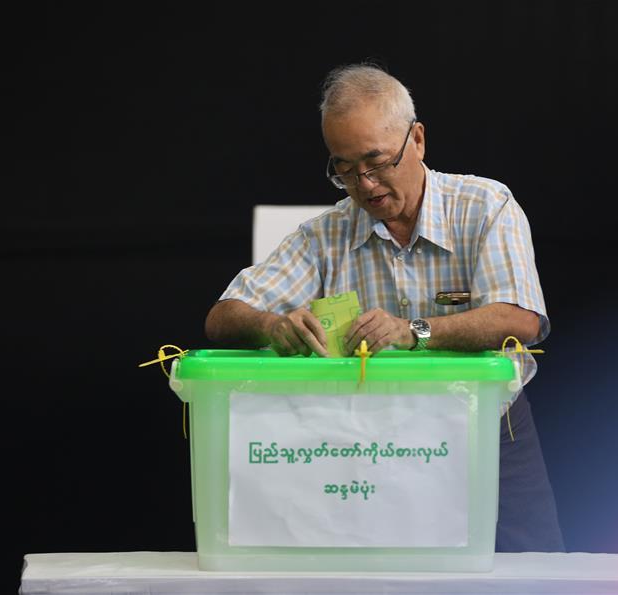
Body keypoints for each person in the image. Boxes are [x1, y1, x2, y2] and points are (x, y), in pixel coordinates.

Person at [205, 64, 564, 552]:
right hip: (369, 445)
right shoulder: (324, 236)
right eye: (345, 169)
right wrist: (272, 325)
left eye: (377, 163)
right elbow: (223, 315)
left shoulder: (485, 206)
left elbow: (520, 318)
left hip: (489, 431)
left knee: (532, 572)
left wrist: (412, 331)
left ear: (416, 140)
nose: (366, 185)